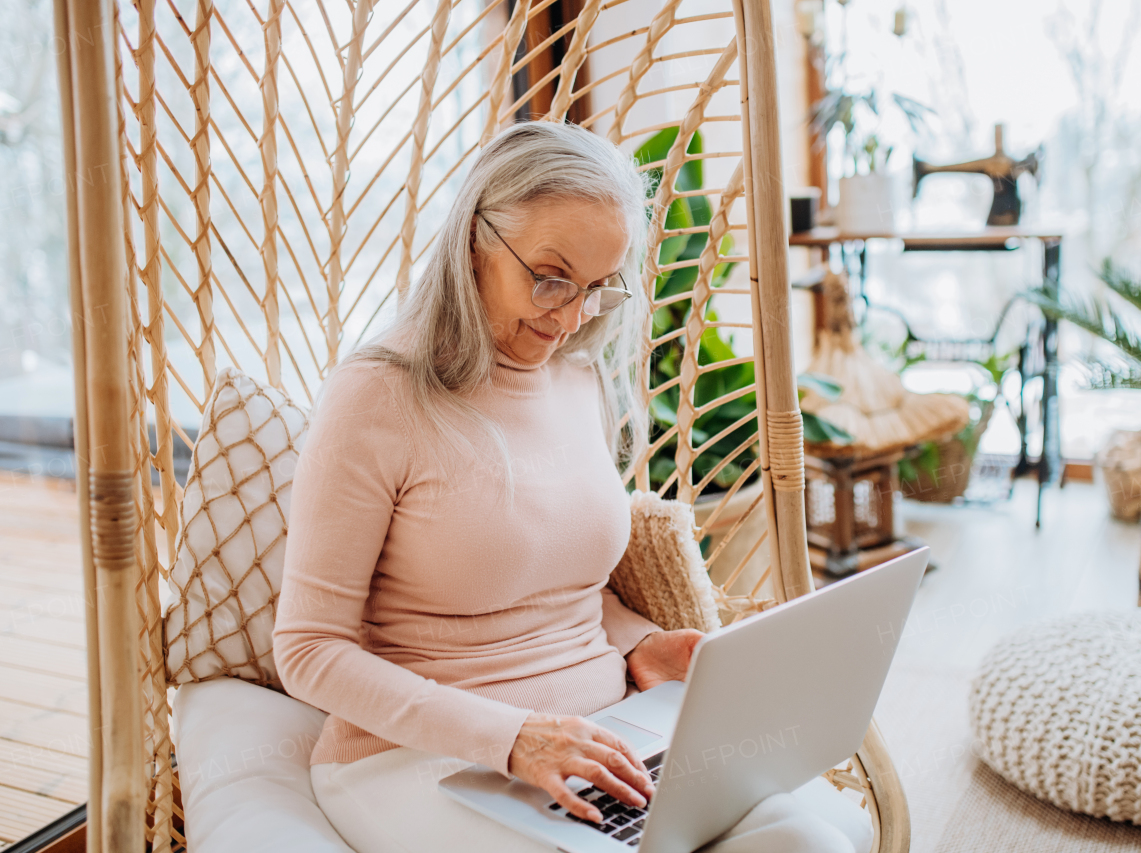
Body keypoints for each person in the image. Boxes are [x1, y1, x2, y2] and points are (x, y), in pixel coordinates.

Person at [273, 121, 873, 853]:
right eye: (550, 277)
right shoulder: (376, 396)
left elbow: (566, 584)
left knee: (815, 841)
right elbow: (307, 648)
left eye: (596, 289)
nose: (569, 316)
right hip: (415, 756)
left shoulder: (576, 377)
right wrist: (514, 735)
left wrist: (639, 643)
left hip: (605, 731)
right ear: (474, 239)